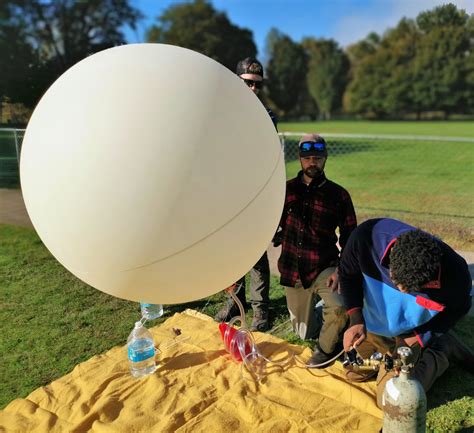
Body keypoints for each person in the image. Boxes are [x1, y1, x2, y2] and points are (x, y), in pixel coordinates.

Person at [338, 218, 473, 408]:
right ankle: (386, 356)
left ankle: (440, 350)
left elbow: (458, 308)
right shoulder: (365, 238)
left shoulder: (455, 273)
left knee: (391, 400)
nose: (401, 290)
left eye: (408, 288)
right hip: (374, 325)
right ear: (392, 255)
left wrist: (420, 336)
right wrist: (356, 319)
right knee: (352, 371)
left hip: (412, 333)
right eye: (396, 281)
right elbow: (347, 274)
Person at [276, 133, 357, 366]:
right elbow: (271, 223)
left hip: (324, 266)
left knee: (340, 306)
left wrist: (341, 270)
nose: (313, 162)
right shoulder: (286, 191)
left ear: (325, 158)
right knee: (303, 333)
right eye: (308, 158)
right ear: (300, 160)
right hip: (293, 270)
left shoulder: (339, 195)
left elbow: (350, 238)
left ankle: (325, 349)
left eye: (318, 158)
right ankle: (324, 315)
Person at [214, 57, 277, 331]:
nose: (253, 90)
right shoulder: (220, 115)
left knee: (254, 253)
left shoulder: (267, 118)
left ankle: (260, 309)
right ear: (236, 81)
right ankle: (234, 303)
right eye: (248, 83)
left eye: (258, 85)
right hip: (225, 193)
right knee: (229, 252)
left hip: (253, 195)